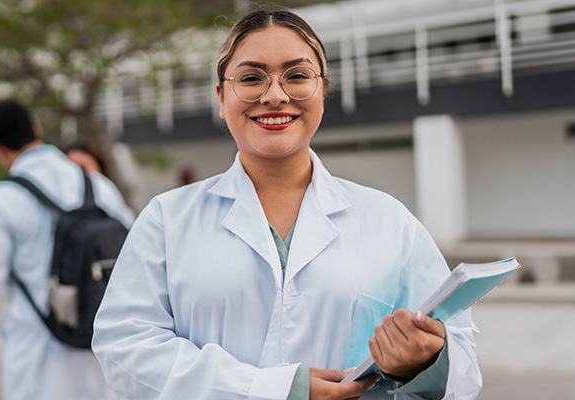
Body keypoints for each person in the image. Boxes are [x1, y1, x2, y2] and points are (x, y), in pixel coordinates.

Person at [92, 8, 482, 400]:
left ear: (323, 92)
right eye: (250, 78)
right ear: (220, 96)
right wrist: (274, 389)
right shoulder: (167, 218)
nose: (275, 95)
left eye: (297, 76)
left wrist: (425, 361)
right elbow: (124, 347)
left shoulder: (389, 221)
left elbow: (463, 362)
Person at [0, 100, 135, 400]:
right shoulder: (98, 185)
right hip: (99, 347)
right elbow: (133, 252)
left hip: (36, 354)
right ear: (37, 129)